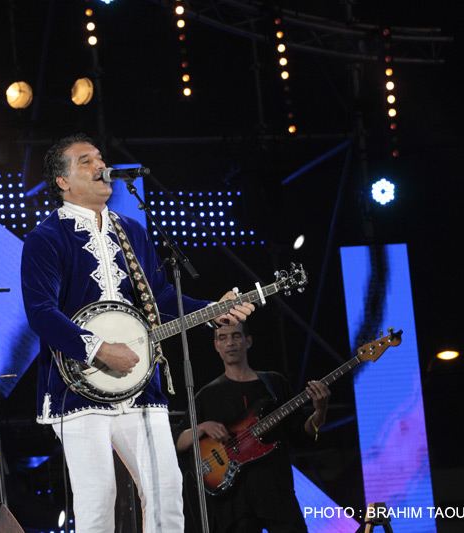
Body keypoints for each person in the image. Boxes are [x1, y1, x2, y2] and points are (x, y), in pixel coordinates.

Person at [20, 133, 255, 532]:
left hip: (140, 382)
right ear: (62, 181)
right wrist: (98, 349)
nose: (100, 166)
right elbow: (41, 313)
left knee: (167, 491)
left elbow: (159, 297)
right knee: (98, 501)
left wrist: (213, 311)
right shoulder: (46, 238)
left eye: (100, 158)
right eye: (85, 161)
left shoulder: (132, 230)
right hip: (77, 389)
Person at [175, 321, 330, 533]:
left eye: (236, 336)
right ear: (216, 345)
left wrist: (320, 412)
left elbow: (300, 435)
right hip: (234, 502)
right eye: (223, 338)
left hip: (276, 492)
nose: (230, 343)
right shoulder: (206, 396)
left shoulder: (274, 383)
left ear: (248, 341)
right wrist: (201, 428)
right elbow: (176, 441)